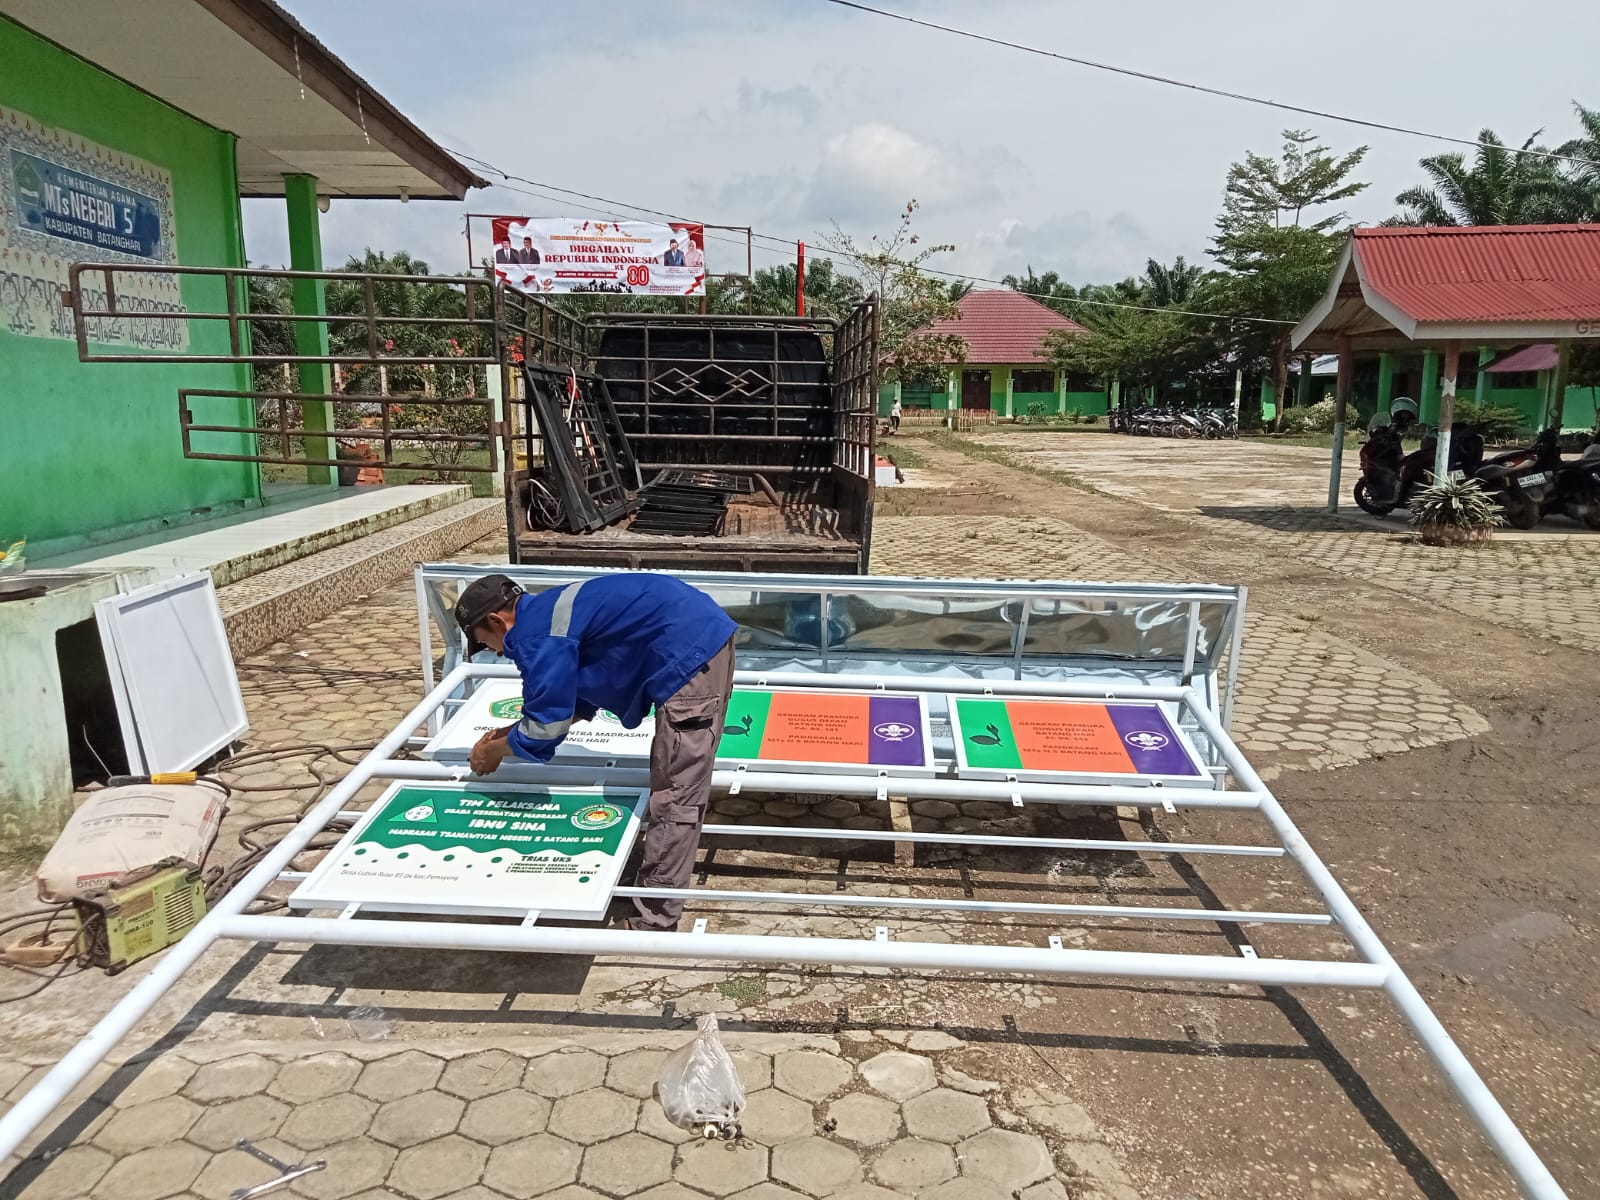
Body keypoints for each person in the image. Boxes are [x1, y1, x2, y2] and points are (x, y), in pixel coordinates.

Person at [456, 572, 737, 931]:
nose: (497, 653)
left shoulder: (534, 635)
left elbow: (546, 728)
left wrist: (495, 750)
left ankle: (654, 919)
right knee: (681, 784)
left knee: (676, 792)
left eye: (488, 643)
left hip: (689, 654)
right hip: (702, 636)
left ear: (497, 621)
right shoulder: (547, 612)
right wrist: (510, 734)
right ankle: (656, 892)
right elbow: (571, 702)